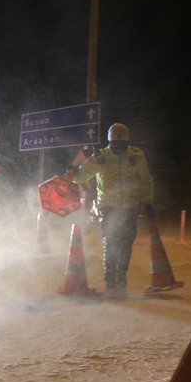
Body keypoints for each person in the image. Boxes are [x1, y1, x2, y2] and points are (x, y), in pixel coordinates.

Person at [67, 123, 155, 299]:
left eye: (121, 145)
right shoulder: (101, 157)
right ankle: (110, 285)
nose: (118, 148)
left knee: (126, 246)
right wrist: (73, 171)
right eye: (115, 144)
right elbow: (80, 177)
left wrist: (147, 203)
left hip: (130, 208)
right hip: (108, 208)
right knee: (111, 244)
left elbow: (145, 180)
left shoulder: (136, 156)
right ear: (110, 142)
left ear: (127, 141)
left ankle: (122, 281)